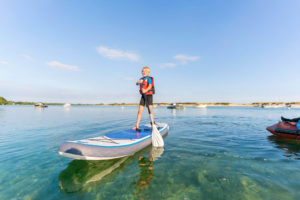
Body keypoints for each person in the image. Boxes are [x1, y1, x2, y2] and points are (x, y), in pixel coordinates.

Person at [132, 66, 155, 131]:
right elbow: (137, 83)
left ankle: (153, 124)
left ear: (148, 72)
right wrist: (138, 82)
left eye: (145, 71)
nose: (143, 72)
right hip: (143, 96)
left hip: (149, 96)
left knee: (150, 110)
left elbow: (150, 86)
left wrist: (146, 90)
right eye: (142, 71)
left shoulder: (149, 78)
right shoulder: (141, 79)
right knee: (139, 111)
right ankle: (137, 125)